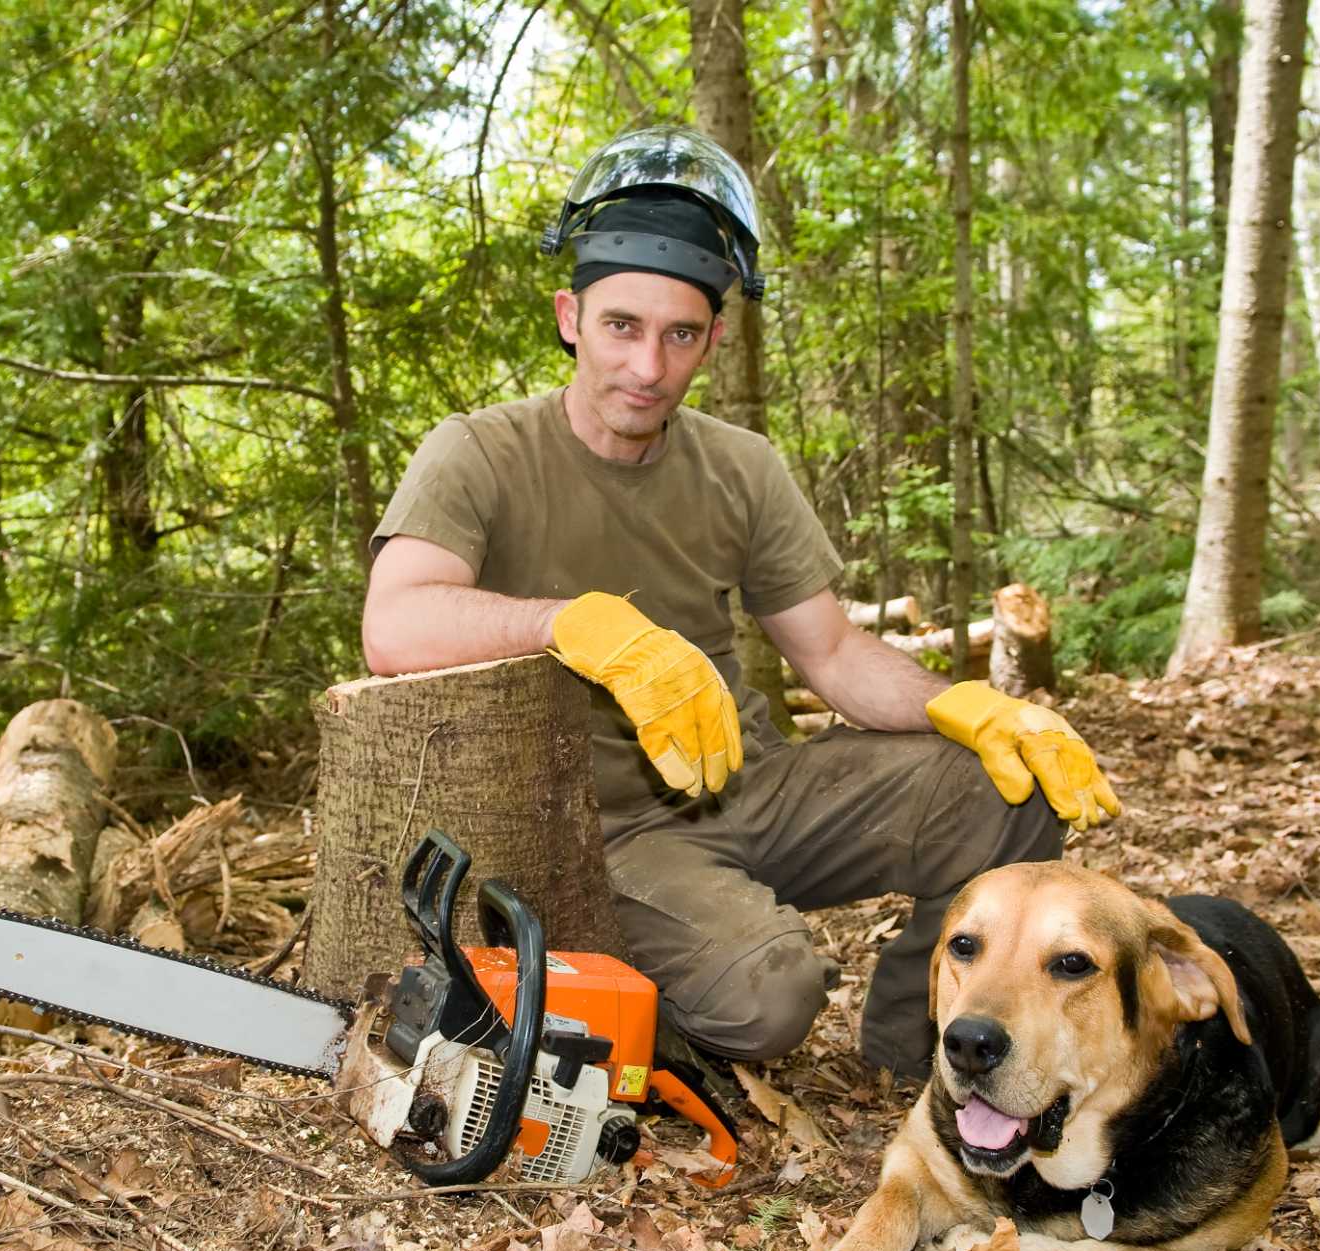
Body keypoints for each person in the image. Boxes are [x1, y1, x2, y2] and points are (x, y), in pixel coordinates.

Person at [361, 126, 1120, 1078]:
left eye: (681, 335)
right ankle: (637, 992)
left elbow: (834, 656)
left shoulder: (740, 466)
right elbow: (392, 623)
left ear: (715, 338)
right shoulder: (479, 452)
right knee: (771, 1001)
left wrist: (963, 706)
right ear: (569, 316)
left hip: (746, 783)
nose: (647, 366)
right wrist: (569, 623)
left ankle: (911, 1053)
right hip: (606, 831)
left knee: (1001, 792)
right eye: (621, 327)